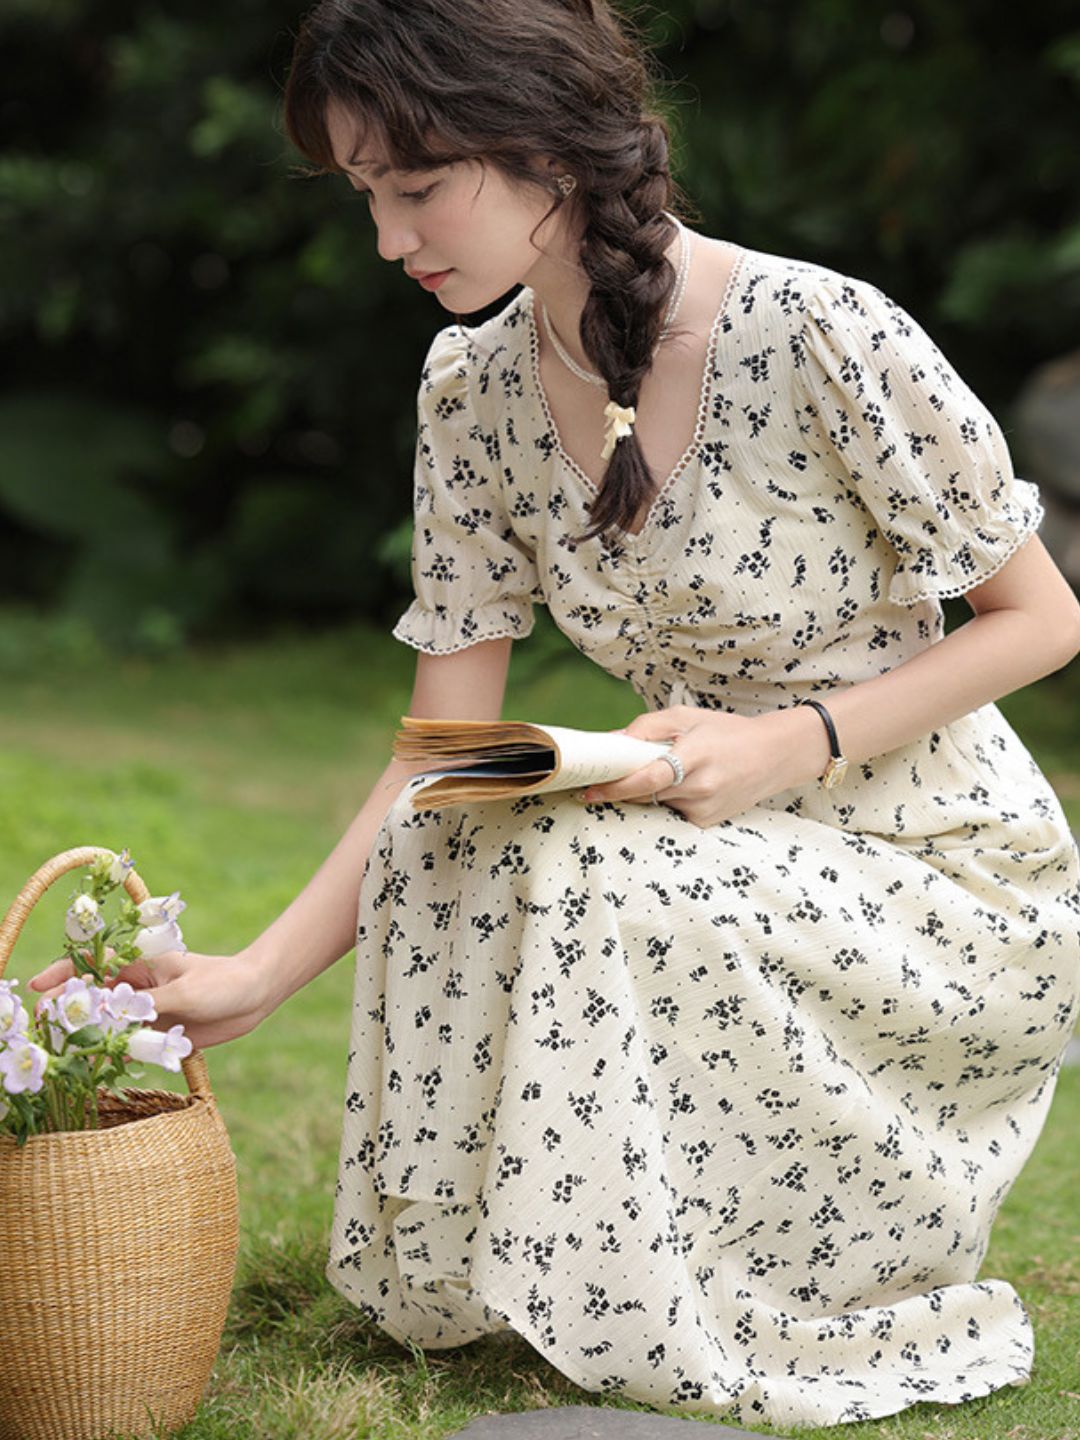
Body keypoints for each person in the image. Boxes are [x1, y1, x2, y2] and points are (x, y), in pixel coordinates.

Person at [31, 0, 1080, 1427]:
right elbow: (442, 753)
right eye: (366, 196)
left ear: (547, 147)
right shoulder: (471, 389)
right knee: (460, 831)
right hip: (700, 830)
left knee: (585, 864)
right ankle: (529, 1269)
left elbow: (1042, 619)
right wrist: (257, 977)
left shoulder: (818, 333)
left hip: (931, 857)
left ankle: (737, 1283)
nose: (390, 239)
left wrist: (791, 742)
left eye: (417, 187)